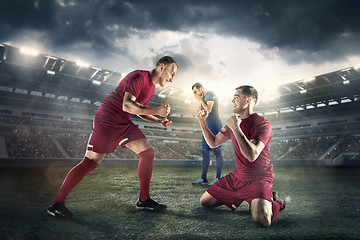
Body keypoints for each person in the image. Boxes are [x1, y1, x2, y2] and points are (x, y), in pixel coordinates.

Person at [47, 56, 178, 218]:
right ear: (161, 67)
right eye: (172, 73)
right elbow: (127, 105)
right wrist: (157, 110)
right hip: (107, 119)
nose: (172, 79)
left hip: (123, 122)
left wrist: (159, 121)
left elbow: (139, 110)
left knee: (147, 153)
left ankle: (144, 200)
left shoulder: (151, 87)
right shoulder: (138, 76)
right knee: (90, 162)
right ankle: (56, 204)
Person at [196, 85, 286, 227]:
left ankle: (276, 202)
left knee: (263, 220)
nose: (232, 101)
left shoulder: (262, 123)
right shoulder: (233, 122)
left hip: (259, 178)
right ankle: (251, 200)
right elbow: (213, 143)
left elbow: (252, 155)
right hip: (238, 177)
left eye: (236, 97)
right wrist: (202, 122)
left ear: (248, 100)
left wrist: (236, 128)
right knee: (205, 202)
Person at [191, 83, 223, 186]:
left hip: (215, 127)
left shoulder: (210, 94)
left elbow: (208, 109)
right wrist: (199, 106)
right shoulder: (203, 98)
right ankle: (203, 178)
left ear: (201, 89)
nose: (195, 94)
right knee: (205, 152)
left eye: (195, 92)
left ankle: (218, 178)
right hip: (206, 128)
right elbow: (198, 113)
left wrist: (200, 100)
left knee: (217, 152)